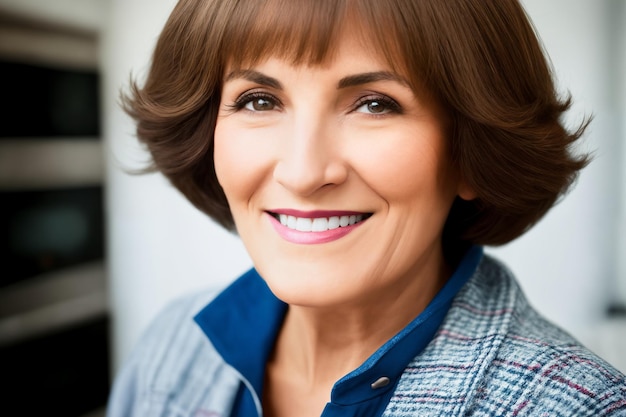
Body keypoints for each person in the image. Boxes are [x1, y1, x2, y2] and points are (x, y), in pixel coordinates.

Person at [106, 0, 626, 416]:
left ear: (471, 150)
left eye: (375, 103)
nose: (304, 172)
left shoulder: (578, 406)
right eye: (259, 100)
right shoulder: (169, 345)